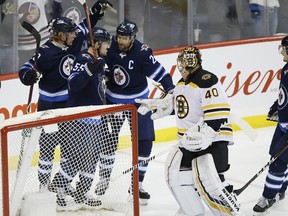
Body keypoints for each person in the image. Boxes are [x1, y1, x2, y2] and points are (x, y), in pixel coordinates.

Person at [136, 46, 242, 215]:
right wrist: (164, 106)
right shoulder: (181, 84)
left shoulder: (207, 80)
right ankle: (192, 210)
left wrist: (206, 134)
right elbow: (184, 109)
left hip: (212, 140)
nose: (181, 66)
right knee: (177, 177)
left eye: (184, 62)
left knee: (211, 181)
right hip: (190, 142)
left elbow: (219, 113)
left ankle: (226, 209)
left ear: (193, 62)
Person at [18, 0, 109, 195]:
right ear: (61, 35)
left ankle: (61, 185)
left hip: (68, 106)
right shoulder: (46, 52)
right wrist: (28, 76)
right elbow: (26, 67)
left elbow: (86, 27)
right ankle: (43, 187)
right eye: (71, 33)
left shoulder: (73, 42)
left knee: (69, 148)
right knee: (48, 149)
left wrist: (95, 12)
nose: (76, 35)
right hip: (49, 108)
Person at [98, 20, 174, 205]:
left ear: (133, 38)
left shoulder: (142, 54)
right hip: (113, 102)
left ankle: (137, 183)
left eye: (125, 38)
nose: (121, 40)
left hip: (138, 103)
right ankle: (104, 178)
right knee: (108, 140)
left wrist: (172, 91)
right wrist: (104, 74)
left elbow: (162, 74)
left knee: (145, 142)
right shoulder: (110, 46)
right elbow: (99, 62)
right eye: (120, 36)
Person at [50, 26, 110, 207]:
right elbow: (73, 84)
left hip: (95, 118)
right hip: (79, 119)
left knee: (91, 159)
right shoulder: (82, 59)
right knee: (77, 159)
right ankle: (57, 189)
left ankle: (82, 193)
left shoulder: (98, 60)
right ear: (97, 43)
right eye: (106, 43)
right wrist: (89, 70)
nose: (109, 46)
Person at [252, 35, 288, 213]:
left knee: (277, 163)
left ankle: (268, 197)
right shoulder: (286, 69)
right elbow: (284, 93)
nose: (282, 51)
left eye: (284, 48)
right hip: (283, 125)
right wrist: (278, 106)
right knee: (277, 158)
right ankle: (280, 189)